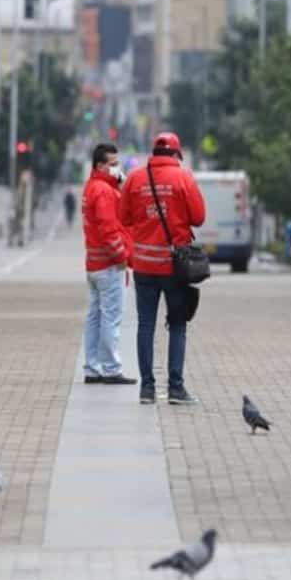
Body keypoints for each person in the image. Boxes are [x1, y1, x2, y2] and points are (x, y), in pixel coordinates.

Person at [118, 132, 205, 405]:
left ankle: (147, 389)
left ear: (153, 153)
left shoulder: (134, 178)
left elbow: (123, 217)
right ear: (177, 154)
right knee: (177, 326)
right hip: (174, 267)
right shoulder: (184, 178)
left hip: (144, 265)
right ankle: (176, 389)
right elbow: (199, 218)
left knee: (145, 325)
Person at [82, 143, 135, 385]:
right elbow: (108, 228)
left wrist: (120, 184)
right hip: (109, 264)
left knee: (95, 316)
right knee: (111, 317)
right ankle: (111, 368)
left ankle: (92, 367)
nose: (117, 168)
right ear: (100, 165)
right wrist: (121, 257)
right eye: (112, 164)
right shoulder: (103, 191)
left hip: (94, 264)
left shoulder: (93, 187)